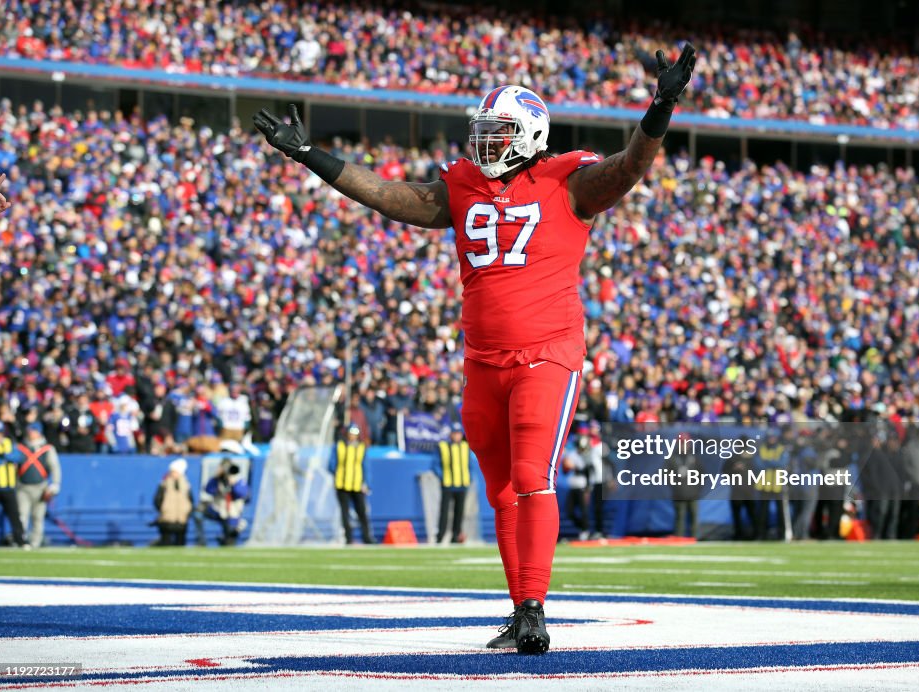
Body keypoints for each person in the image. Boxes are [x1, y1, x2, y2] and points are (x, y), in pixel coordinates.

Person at [254, 41, 696, 654]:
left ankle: (537, 607)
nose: (483, 143)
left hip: (547, 353)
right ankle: (520, 610)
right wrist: (311, 156)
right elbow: (387, 194)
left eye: (498, 132)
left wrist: (661, 107)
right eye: (481, 131)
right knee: (501, 492)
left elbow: (629, 167)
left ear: (529, 136)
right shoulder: (462, 186)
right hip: (482, 363)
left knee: (531, 476)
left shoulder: (567, 181)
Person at [15, 421, 62, 548]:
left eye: (33, 431)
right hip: (23, 487)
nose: (31, 433)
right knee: (22, 515)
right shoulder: (20, 447)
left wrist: (55, 485)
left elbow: (55, 468)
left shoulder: (47, 448)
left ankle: (35, 542)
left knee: (38, 517)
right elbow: (14, 467)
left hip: (41, 487)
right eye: (30, 430)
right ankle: (22, 541)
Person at [0, 420, 29, 548]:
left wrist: (4, 455)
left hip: (8, 486)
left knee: (14, 516)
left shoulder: (8, 443)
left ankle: (20, 540)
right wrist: (2, 461)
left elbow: (18, 457)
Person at [333, 424, 374, 544]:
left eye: (355, 433)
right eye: (351, 433)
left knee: (362, 512)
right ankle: (348, 538)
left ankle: (366, 537)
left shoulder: (361, 447)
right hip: (342, 484)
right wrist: (338, 475)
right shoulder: (340, 446)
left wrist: (366, 483)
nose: (353, 436)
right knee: (345, 513)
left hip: (357, 484)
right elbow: (332, 464)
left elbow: (365, 466)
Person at [435, 422, 472, 544]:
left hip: (462, 484)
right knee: (444, 512)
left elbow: (470, 465)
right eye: (454, 433)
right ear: (451, 434)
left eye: (459, 433)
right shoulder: (443, 446)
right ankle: (440, 536)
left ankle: (455, 536)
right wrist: (442, 476)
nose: (457, 436)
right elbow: (435, 465)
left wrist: (469, 478)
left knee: (459, 512)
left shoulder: (466, 447)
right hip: (448, 484)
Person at [199, 458, 250, 545]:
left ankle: (228, 537)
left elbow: (243, 494)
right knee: (198, 514)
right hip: (218, 509)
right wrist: (216, 477)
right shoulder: (217, 479)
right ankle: (202, 541)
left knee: (230, 535)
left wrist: (234, 484)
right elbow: (208, 490)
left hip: (232, 511)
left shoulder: (238, 480)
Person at [153, 458, 193, 546]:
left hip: (182, 519)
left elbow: (190, 501)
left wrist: (187, 512)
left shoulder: (186, 485)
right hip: (167, 519)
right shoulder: (164, 484)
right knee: (166, 543)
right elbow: (157, 500)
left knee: (180, 543)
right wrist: (164, 510)